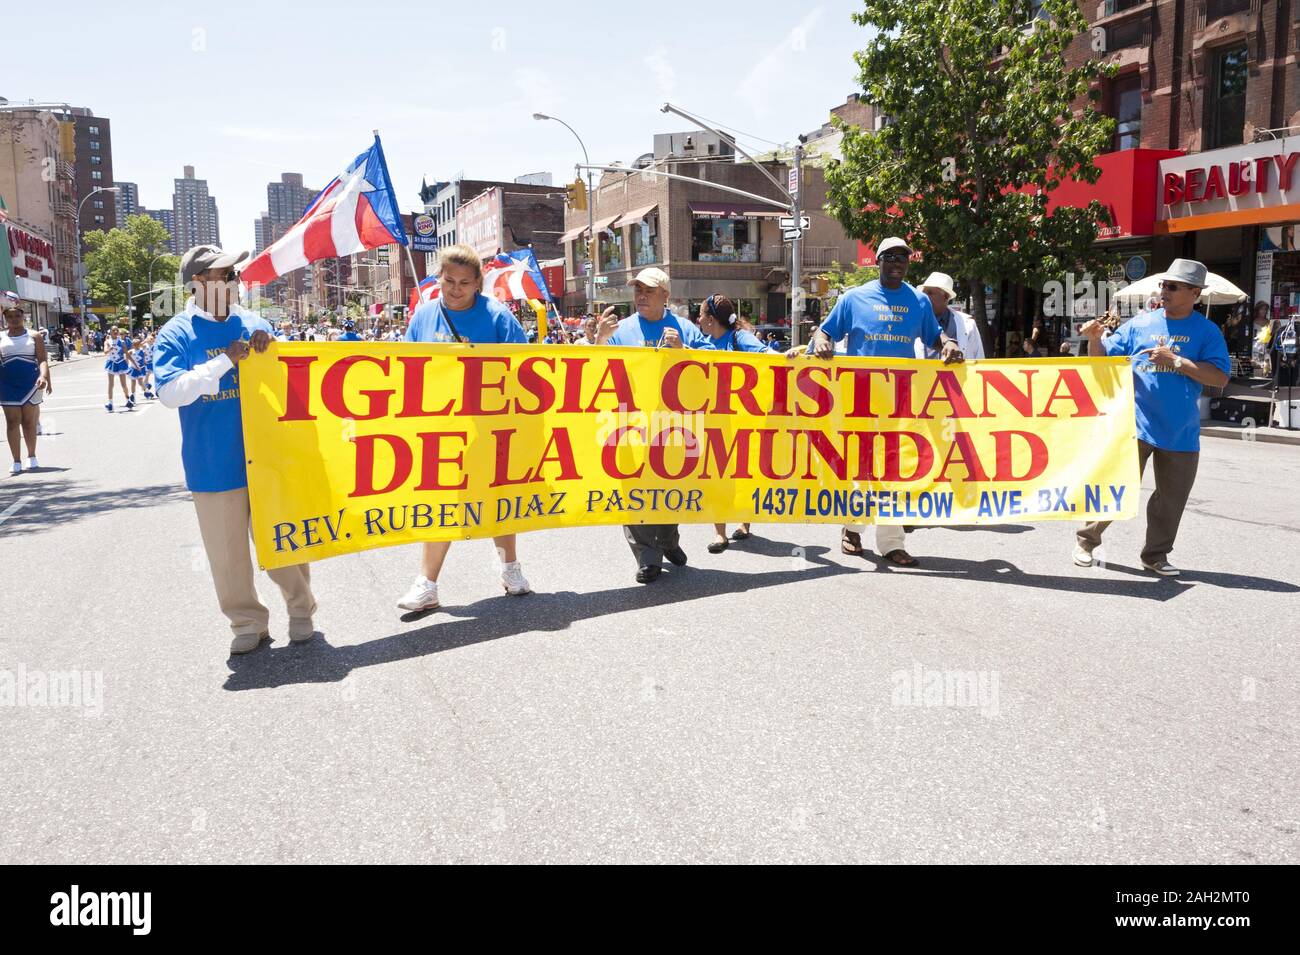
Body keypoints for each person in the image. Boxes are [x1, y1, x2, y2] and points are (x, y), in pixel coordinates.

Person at [153, 244, 319, 656]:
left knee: (283, 543)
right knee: (227, 555)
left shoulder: (255, 322)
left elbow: (289, 386)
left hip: (267, 459)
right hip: (212, 462)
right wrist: (225, 361)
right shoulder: (176, 332)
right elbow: (171, 393)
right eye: (222, 275)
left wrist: (274, 353)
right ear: (196, 285)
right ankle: (247, 622)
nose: (233, 282)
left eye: (234, 275)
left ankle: (301, 609)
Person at [787, 236, 964, 567]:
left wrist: (949, 343)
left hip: (900, 403)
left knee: (895, 472)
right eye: (891, 257)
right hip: (859, 402)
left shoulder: (918, 301)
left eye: (904, 258)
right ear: (878, 260)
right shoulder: (854, 298)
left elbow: (934, 337)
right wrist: (823, 342)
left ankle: (891, 543)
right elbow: (824, 333)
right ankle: (852, 529)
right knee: (861, 470)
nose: (898, 262)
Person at [396, 243, 532, 612]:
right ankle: (427, 584)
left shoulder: (499, 317)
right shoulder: (423, 316)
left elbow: (525, 365)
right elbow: (406, 369)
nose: (455, 289)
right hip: (439, 427)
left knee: (499, 497)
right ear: (438, 279)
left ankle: (510, 568)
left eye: (464, 283)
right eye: (449, 280)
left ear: (478, 284)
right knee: (441, 501)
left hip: (489, 425)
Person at [1075, 258, 1230, 576]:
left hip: (1180, 431)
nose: (1165, 290)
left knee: (1170, 500)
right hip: (1135, 423)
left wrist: (1177, 361)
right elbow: (1101, 360)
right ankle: (1086, 542)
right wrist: (1093, 338)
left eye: (1173, 286)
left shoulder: (1207, 332)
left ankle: (1155, 556)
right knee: (1116, 485)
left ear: (1195, 293)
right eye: (1164, 284)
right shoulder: (1140, 323)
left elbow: (1219, 378)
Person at [596, 267, 715, 583]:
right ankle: (647, 557)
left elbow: (714, 364)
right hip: (630, 424)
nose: (641, 296)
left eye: (648, 291)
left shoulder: (684, 328)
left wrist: (683, 352)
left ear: (666, 295)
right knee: (634, 489)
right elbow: (593, 372)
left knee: (668, 486)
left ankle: (669, 540)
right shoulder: (620, 330)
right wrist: (598, 341)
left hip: (672, 425)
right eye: (638, 290)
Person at [697, 294, 766, 553]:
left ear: (712, 319)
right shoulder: (702, 342)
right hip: (716, 418)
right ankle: (719, 533)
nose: (698, 319)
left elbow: (767, 357)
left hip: (745, 418)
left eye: (702, 315)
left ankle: (745, 524)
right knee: (718, 474)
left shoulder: (740, 338)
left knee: (745, 472)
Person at [1, 292, 50, 473]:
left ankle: (31, 456)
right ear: (5, 318)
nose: (14, 319)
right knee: (12, 422)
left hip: (30, 382)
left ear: (23, 316)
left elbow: (42, 359)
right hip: (7, 383)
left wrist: (43, 377)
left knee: (29, 422)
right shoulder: (0, 337)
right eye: (10, 316)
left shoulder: (34, 335)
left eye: (17, 316)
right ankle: (16, 460)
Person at [914, 272, 985, 360]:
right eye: (923, 294)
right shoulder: (914, 321)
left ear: (946, 296)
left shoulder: (968, 324)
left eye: (930, 293)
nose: (925, 297)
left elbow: (979, 358)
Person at [104, 326, 133, 411]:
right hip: (112, 363)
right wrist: (110, 349)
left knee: (123, 384)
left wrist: (134, 363)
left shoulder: (122, 341)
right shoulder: (107, 341)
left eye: (117, 330)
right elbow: (105, 352)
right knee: (111, 384)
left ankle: (128, 400)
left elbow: (126, 353)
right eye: (113, 330)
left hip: (120, 362)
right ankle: (110, 403)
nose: (116, 331)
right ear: (110, 332)